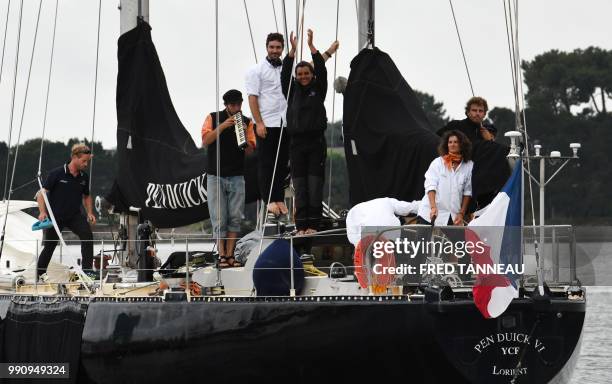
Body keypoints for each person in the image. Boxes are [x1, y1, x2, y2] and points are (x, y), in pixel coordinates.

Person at [281, 29, 338, 234]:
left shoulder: (318, 89)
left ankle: (313, 226)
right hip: (296, 144)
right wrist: (292, 52)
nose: (303, 76)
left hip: (315, 143)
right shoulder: (291, 91)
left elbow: (322, 70)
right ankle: (301, 226)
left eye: (307, 73)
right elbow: (285, 74)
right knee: (300, 186)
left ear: (312, 75)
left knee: (314, 185)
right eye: (300, 74)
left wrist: (313, 48)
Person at [202, 89, 256, 268]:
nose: (236, 107)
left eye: (239, 104)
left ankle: (230, 254)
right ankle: (222, 254)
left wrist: (242, 135)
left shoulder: (246, 122)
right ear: (226, 105)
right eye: (233, 105)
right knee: (219, 218)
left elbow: (250, 150)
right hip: (215, 175)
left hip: (237, 175)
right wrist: (224, 126)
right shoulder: (212, 117)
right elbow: (205, 140)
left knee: (234, 217)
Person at [245, 32, 290, 218]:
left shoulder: (286, 68)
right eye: (272, 47)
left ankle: (279, 197)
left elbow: (308, 70)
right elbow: (252, 97)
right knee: (266, 163)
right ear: (266, 47)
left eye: (278, 47)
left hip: (284, 122)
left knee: (281, 164)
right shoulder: (256, 70)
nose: (275, 50)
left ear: (282, 49)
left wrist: (326, 53)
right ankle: (269, 198)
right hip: (267, 122)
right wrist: (258, 123)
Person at [36, 143, 96, 282]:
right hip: (55, 216)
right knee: (50, 246)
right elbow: (41, 193)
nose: (86, 164)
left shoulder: (83, 177)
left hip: (74, 215)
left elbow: (86, 196)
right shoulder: (56, 173)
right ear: (75, 157)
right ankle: (40, 274)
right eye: (84, 161)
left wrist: (90, 213)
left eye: (88, 161)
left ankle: (87, 272)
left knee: (87, 236)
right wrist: (42, 212)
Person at [437, 96, 510, 210]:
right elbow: (437, 137)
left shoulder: (484, 132)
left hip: (477, 174)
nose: (477, 114)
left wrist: (489, 140)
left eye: (480, 111)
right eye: (474, 110)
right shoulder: (457, 125)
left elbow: (488, 153)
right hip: (456, 172)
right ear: (467, 112)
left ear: (484, 114)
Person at [417, 130, 473, 226]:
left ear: (462, 144)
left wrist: (461, 213)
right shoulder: (437, 162)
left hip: (453, 215)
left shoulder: (469, 165)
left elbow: (467, 192)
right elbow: (431, 186)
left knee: (458, 241)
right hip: (430, 213)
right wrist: (433, 207)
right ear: (446, 145)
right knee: (423, 241)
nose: (452, 144)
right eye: (450, 142)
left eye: (456, 142)